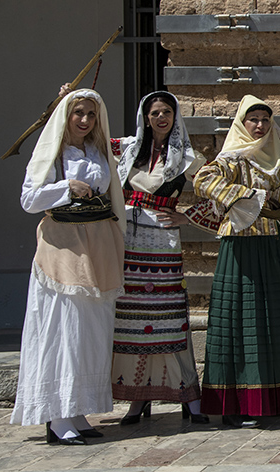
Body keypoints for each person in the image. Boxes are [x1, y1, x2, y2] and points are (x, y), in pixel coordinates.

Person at [13, 89, 125, 445]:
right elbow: (29, 199)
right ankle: (57, 417)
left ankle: (78, 410)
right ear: (66, 115)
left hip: (97, 247)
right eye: (78, 113)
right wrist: (67, 187)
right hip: (63, 249)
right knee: (64, 329)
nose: (85, 120)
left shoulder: (98, 151)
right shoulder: (52, 153)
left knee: (91, 331)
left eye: (91, 114)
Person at [193, 95, 280, 428]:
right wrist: (249, 197)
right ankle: (236, 403)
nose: (259, 125)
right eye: (252, 119)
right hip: (241, 248)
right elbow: (202, 181)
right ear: (242, 123)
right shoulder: (231, 159)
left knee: (274, 322)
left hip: (273, 249)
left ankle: (273, 399)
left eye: (264, 120)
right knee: (239, 322)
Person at [108, 91, 208, 425]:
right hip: (127, 243)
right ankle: (138, 398)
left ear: (175, 116)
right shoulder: (126, 149)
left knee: (167, 317)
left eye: (166, 112)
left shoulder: (188, 158)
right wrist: (63, 101)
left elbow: (218, 189)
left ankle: (188, 395)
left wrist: (189, 216)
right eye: (154, 113)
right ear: (145, 117)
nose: (160, 118)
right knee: (130, 320)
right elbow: (78, 133)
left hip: (163, 244)